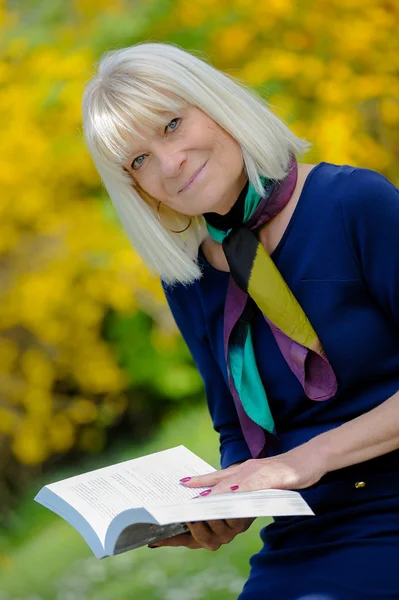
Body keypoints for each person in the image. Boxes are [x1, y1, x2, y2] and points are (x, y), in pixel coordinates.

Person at [82, 41, 399, 599]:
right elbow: (237, 429)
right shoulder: (190, 278)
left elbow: (292, 460)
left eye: (172, 125)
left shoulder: (354, 203)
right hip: (308, 529)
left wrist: (302, 462)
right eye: (138, 161)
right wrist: (223, 504)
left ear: (215, 104)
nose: (169, 163)